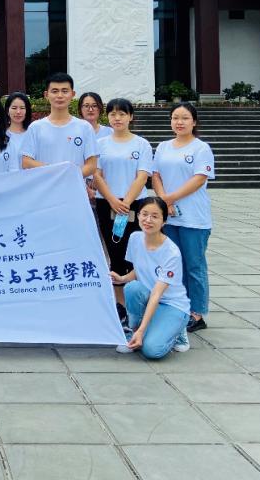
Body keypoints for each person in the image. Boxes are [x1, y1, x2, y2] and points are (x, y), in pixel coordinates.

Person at [152, 101, 215, 333]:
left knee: (194, 265)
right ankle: (178, 307)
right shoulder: (163, 147)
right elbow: (155, 175)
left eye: (185, 118)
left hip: (194, 218)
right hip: (169, 218)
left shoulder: (201, 148)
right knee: (173, 264)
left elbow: (199, 179)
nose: (179, 122)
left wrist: (169, 199)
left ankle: (197, 313)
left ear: (194, 122)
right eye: (175, 118)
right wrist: (163, 200)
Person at [111, 196, 191, 358]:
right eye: (144, 214)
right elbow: (140, 270)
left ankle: (178, 331)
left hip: (171, 304)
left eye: (155, 216)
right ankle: (133, 331)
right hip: (149, 297)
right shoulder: (135, 238)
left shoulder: (171, 253)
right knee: (132, 288)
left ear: (164, 222)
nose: (148, 220)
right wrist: (122, 279)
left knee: (152, 350)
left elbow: (156, 294)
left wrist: (142, 331)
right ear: (138, 216)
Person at [92, 98, 153, 307]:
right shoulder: (100, 144)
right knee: (115, 253)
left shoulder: (141, 144)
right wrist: (112, 200)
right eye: (112, 114)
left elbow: (142, 176)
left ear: (130, 117)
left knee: (134, 253)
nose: (117, 118)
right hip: (106, 203)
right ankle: (120, 305)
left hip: (135, 206)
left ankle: (137, 302)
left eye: (122, 114)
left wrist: (125, 202)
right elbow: (97, 175)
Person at [19, 73, 98, 178]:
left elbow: (92, 165)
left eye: (65, 91)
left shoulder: (85, 127)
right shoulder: (35, 127)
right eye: (55, 91)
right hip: (45, 187)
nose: (60, 96)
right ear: (46, 95)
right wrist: (55, 172)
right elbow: (26, 162)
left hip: (74, 186)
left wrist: (70, 176)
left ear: (72, 94)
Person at [4, 92, 32, 172]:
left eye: (22, 108)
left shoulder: (32, 133)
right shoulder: (0, 135)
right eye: (14, 108)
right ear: (7, 111)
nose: (18, 112)